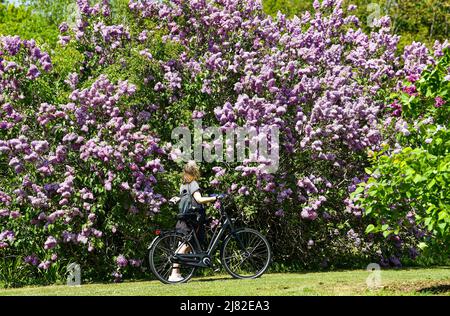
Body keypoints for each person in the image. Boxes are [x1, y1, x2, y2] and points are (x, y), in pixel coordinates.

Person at [168, 160, 218, 282]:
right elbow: (199, 199)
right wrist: (214, 198)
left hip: (183, 219)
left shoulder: (183, 186)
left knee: (188, 244)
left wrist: (176, 199)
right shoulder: (194, 184)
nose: (186, 176)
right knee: (186, 245)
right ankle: (174, 274)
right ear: (194, 174)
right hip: (193, 220)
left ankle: (176, 273)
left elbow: (184, 199)